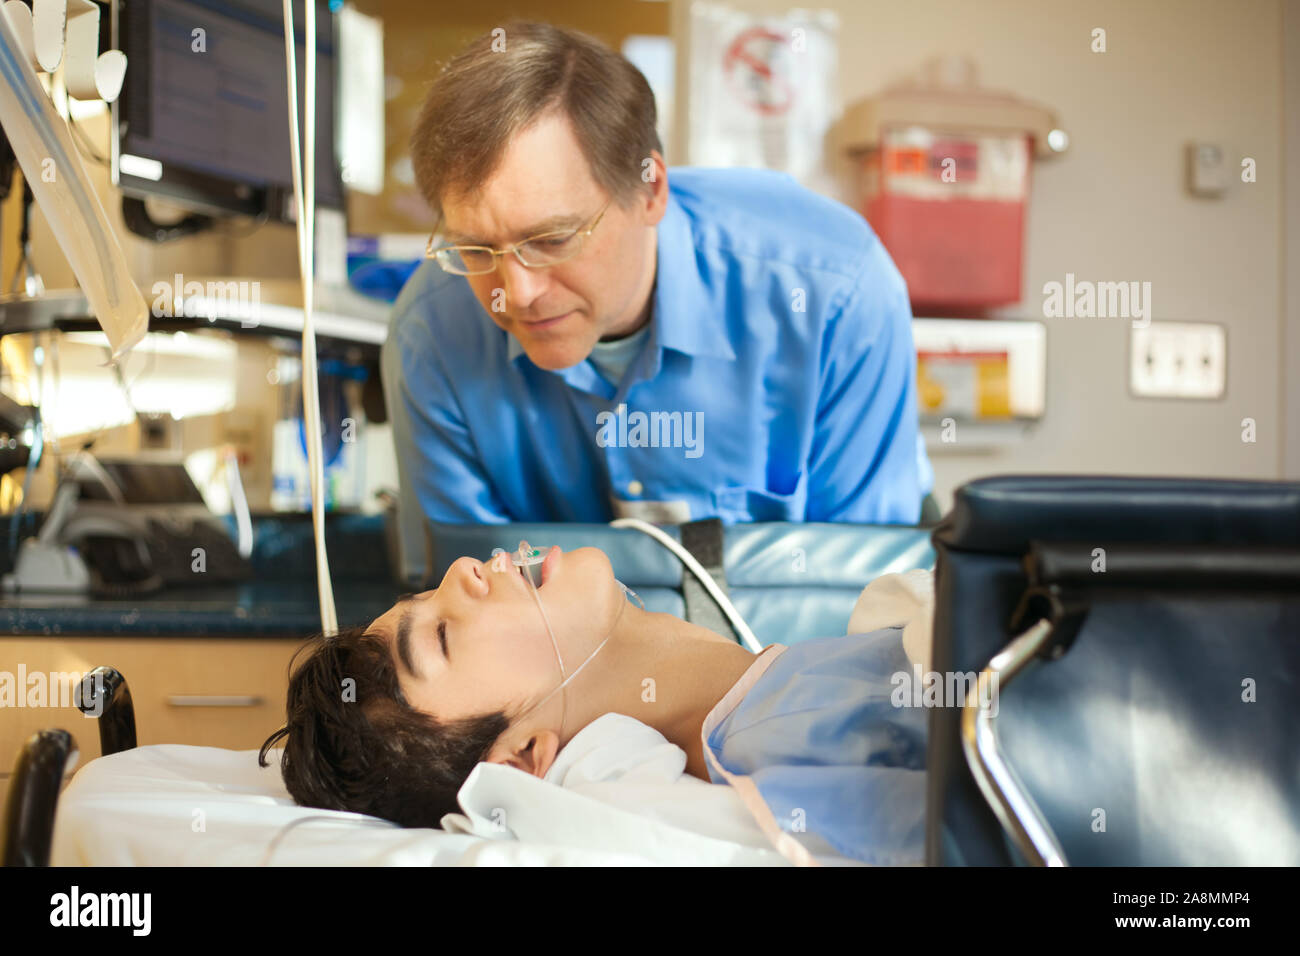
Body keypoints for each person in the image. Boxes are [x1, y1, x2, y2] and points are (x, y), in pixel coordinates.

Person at [382, 22, 934, 570]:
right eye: (477, 250)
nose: (517, 293)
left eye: (551, 240)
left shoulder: (835, 292)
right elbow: (459, 609)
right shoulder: (431, 333)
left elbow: (866, 606)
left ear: (650, 191)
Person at [260, 543, 928, 866]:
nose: (463, 569)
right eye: (439, 635)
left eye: (427, 595)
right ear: (523, 755)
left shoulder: (803, 688)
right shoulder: (792, 748)